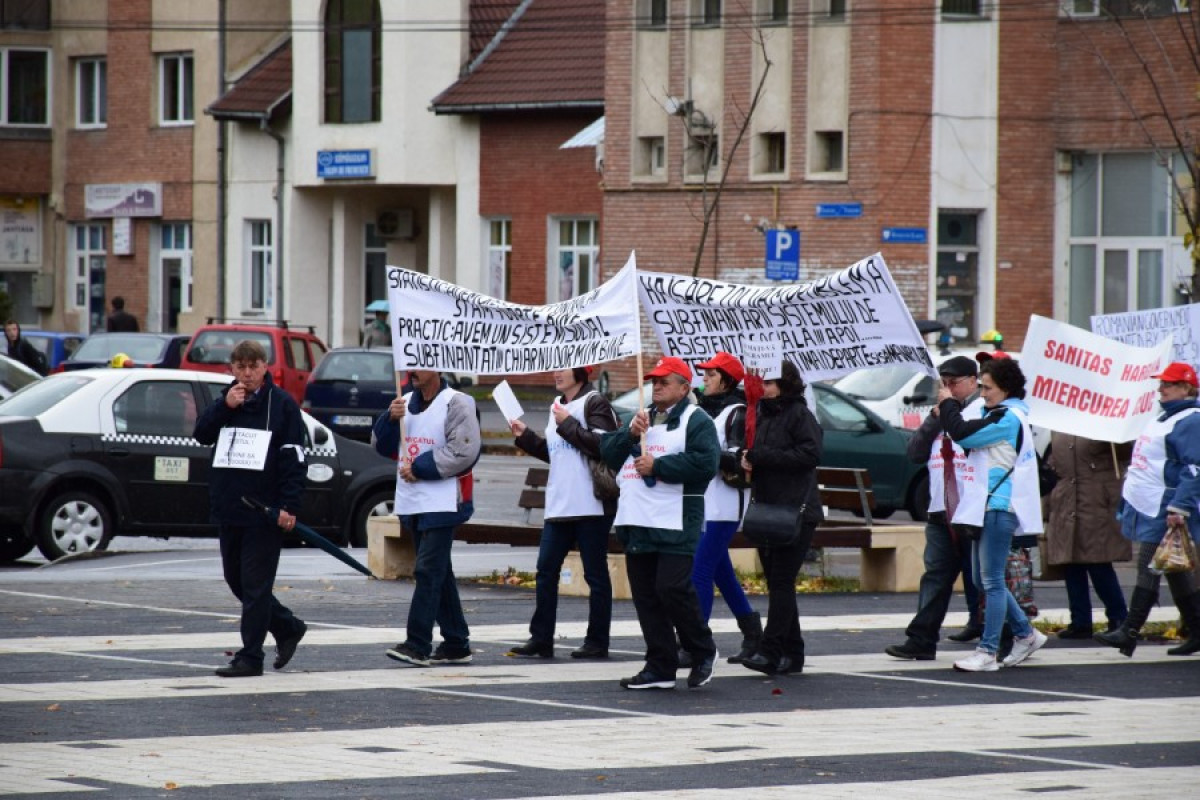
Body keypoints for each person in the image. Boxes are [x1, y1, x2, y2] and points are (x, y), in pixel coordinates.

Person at [600, 356, 720, 690]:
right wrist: (629, 434)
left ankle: (702, 649)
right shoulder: (641, 418)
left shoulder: (697, 421)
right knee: (646, 597)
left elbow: (705, 464)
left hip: (675, 519)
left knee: (672, 588)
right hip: (638, 520)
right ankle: (660, 666)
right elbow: (608, 454)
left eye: (664, 382)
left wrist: (659, 466)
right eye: (654, 381)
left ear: (684, 388)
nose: (656, 387)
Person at [193, 340, 308, 678]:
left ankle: (251, 657)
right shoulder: (227, 400)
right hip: (230, 508)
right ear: (231, 369)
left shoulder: (282, 405)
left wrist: (288, 506)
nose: (246, 374)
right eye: (240, 367)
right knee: (237, 581)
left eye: (253, 367)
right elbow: (201, 434)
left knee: (256, 586)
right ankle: (287, 627)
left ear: (264, 367)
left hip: (264, 512)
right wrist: (224, 406)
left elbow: (294, 459)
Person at [938, 357, 1047, 672]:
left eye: (988, 388)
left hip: (999, 506)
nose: (983, 394)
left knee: (992, 581)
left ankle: (987, 651)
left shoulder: (1008, 418)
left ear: (1006, 389)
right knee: (981, 579)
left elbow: (963, 434)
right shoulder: (999, 414)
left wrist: (948, 404)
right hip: (984, 506)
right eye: (982, 387)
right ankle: (1025, 634)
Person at [507, 366, 617, 659]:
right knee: (545, 572)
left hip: (591, 506)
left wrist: (568, 424)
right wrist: (526, 437)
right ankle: (541, 639)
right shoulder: (557, 405)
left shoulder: (594, 402)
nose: (556, 373)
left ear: (580, 371)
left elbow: (605, 446)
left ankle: (597, 642)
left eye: (563, 368)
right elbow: (556, 453)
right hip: (559, 505)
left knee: (595, 575)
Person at [373, 368, 481, 667]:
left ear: (435, 367)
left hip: (445, 501)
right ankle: (456, 642)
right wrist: (389, 420)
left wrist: (420, 468)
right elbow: (380, 445)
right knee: (439, 573)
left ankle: (417, 643)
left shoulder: (457, 402)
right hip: (414, 501)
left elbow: (464, 451)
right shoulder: (405, 402)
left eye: (418, 364)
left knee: (428, 571)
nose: (411, 371)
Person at [1096, 361, 1200, 657]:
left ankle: (1129, 631)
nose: (1161, 388)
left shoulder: (1191, 421)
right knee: (1172, 568)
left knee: (1149, 564)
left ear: (1186, 388)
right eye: (1161, 383)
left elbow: (1195, 468)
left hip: (1166, 506)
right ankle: (1198, 629)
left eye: (1168, 384)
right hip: (1151, 503)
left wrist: (1180, 506)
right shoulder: (1164, 417)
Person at [885, 356, 986, 662]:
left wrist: (951, 413)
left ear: (973, 381)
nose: (948, 389)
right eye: (943, 383)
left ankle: (1002, 631)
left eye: (954, 383)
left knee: (982, 578)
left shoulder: (980, 411)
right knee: (936, 576)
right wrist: (934, 418)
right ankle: (921, 639)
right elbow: (915, 452)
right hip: (941, 510)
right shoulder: (940, 414)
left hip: (972, 510)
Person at [738, 361, 823, 675]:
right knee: (777, 583)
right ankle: (793, 651)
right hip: (770, 509)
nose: (764, 388)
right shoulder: (761, 414)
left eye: (770, 383)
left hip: (796, 510)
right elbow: (755, 452)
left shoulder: (799, 415)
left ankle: (770, 651)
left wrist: (761, 457)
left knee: (782, 581)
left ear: (785, 385)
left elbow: (810, 455)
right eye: (762, 382)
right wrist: (745, 459)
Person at [688, 352, 759, 665]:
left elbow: (739, 458)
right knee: (720, 572)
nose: (704, 378)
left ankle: (697, 644)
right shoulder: (704, 409)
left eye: (711, 374)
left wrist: (703, 455)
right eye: (704, 373)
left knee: (700, 570)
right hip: (706, 501)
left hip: (726, 503)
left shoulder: (737, 411)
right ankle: (753, 633)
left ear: (727, 380)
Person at [1045, 433, 1131, 638]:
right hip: (1067, 502)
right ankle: (1080, 621)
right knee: (1071, 564)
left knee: (1098, 562)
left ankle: (1119, 617)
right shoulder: (1059, 428)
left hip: (1097, 503)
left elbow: (1126, 452)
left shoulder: (1104, 427)